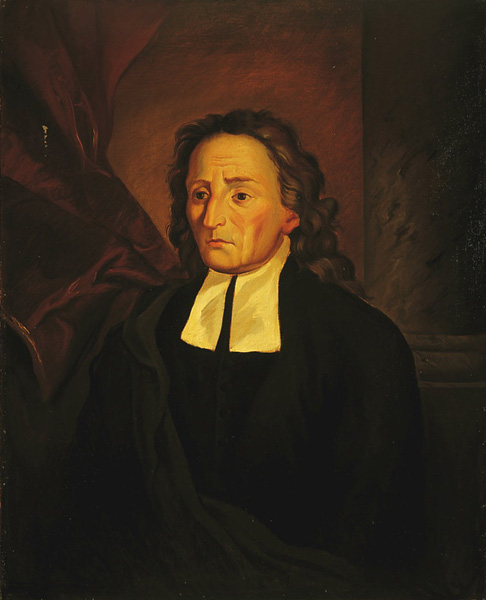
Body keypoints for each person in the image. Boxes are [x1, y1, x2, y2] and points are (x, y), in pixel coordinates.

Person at [69, 109, 425, 598]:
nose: (212, 218)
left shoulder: (361, 340)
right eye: (200, 194)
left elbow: (374, 529)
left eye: (240, 195)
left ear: (290, 213)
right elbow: (94, 496)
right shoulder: (141, 329)